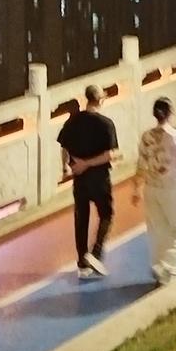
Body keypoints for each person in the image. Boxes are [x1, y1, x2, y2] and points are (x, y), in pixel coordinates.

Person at [132, 97, 176, 285]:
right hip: (171, 189)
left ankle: (161, 270)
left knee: (158, 231)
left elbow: (141, 165)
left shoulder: (146, 137)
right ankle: (168, 266)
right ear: (170, 113)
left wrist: (136, 189)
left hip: (150, 189)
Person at [58, 84, 118, 279]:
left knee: (81, 217)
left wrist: (67, 167)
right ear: (100, 100)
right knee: (106, 214)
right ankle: (96, 253)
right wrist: (88, 163)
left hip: (80, 178)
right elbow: (109, 155)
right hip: (99, 178)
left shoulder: (73, 122)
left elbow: (64, 145)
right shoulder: (106, 124)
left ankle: (82, 262)